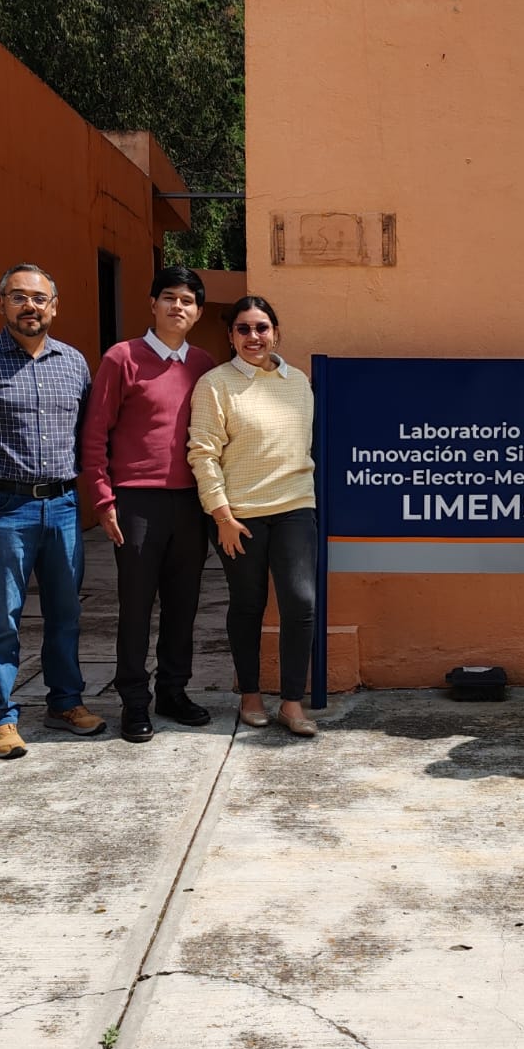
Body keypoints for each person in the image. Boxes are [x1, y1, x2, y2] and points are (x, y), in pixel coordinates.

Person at [0, 264, 106, 759]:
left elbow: (86, 436)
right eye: (18, 297)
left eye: (39, 298)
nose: (29, 306)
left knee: (66, 612)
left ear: (54, 306)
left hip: (64, 506)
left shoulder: (73, 363)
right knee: (3, 616)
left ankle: (65, 702)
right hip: (4, 509)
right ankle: (1, 717)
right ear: (2, 304)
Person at [79, 266, 218, 744]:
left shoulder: (203, 365)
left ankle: (173, 692)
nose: (178, 307)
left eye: (188, 301)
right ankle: (134, 701)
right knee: (136, 607)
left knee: (183, 605)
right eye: (169, 298)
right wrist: (102, 498)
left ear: (198, 312)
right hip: (136, 502)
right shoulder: (122, 358)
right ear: (153, 304)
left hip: (190, 502)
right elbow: (95, 435)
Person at [187, 297, 319, 736]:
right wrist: (221, 515)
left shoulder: (297, 381)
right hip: (238, 516)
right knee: (248, 605)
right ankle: (250, 695)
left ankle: (292, 703)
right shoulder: (214, 384)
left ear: (276, 332)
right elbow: (203, 453)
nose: (253, 337)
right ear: (230, 336)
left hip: (295, 507)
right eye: (242, 329)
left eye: (261, 327)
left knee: (301, 603)